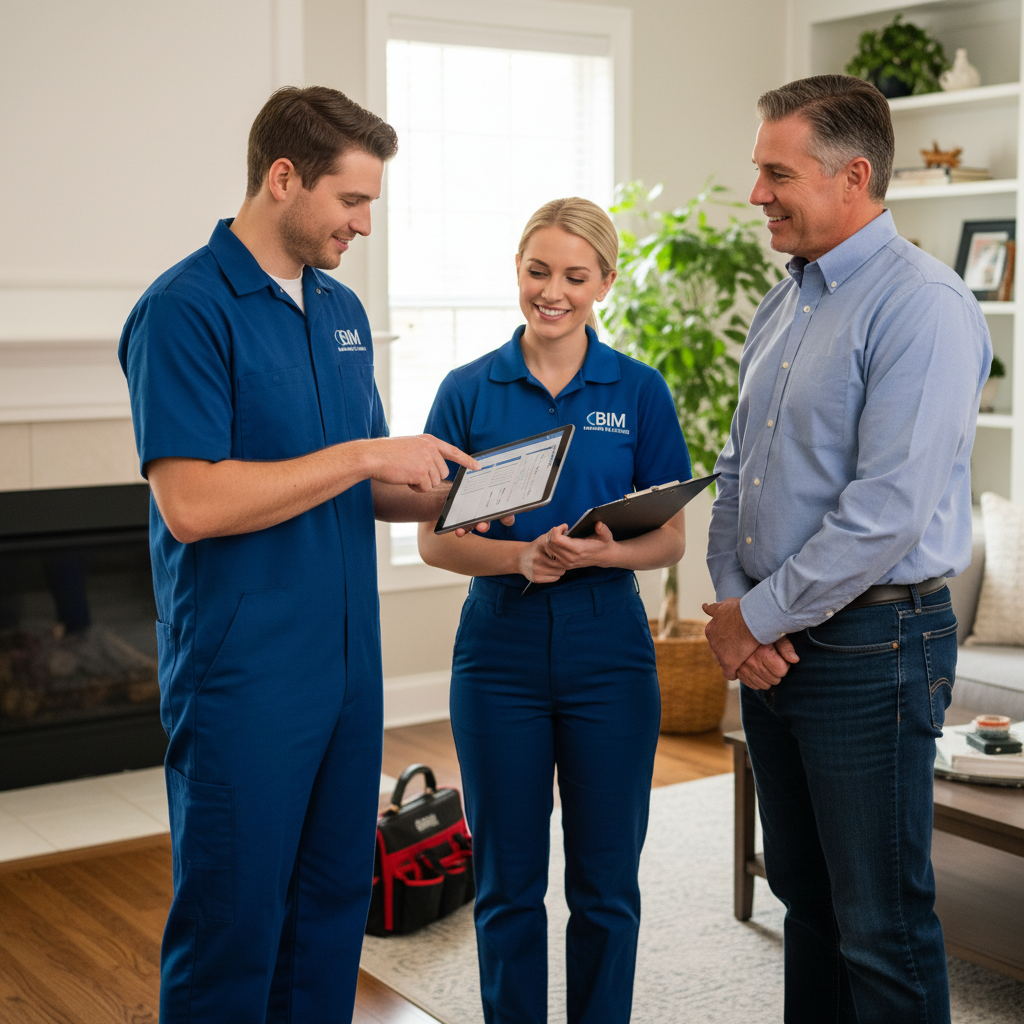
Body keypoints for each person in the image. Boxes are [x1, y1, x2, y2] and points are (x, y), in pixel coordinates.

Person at [118, 86, 486, 1023]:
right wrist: (366, 453)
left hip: (347, 669)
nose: (364, 224)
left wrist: (468, 494)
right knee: (234, 925)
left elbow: (362, 486)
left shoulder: (340, 309)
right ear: (283, 178)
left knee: (330, 910)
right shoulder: (184, 310)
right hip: (244, 675)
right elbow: (192, 504)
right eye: (351, 200)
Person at [703, 75, 992, 1022]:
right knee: (807, 900)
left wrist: (754, 618)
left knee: (881, 925)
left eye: (777, 174)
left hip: (874, 646)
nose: (757, 194)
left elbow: (887, 510)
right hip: (776, 640)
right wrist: (736, 605)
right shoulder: (783, 303)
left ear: (853, 176)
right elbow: (737, 467)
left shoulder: (924, 305)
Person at [418, 197, 691, 1024]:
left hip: (610, 645)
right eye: (538, 271)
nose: (553, 292)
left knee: (606, 883)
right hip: (497, 647)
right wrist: (518, 558)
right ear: (517, 269)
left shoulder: (639, 390)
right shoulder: (467, 390)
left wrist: (606, 554)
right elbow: (434, 541)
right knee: (507, 884)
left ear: (605, 282)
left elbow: (671, 537)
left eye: (575, 276)